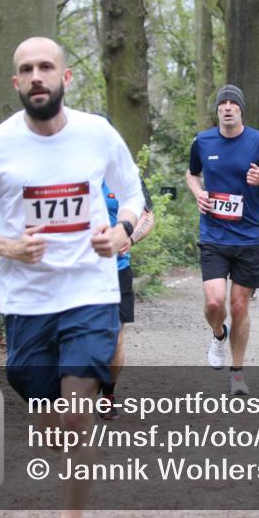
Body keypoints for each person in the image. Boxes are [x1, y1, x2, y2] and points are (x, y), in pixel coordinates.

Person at [0, 37, 145, 518]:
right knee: (47, 414)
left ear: (65, 78)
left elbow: (132, 195)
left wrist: (121, 232)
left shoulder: (98, 133)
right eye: (26, 69)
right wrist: (8, 246)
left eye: (46, 66)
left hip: (90, 291)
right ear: (16, 82)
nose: (36, 75)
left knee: (77, 411)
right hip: (27, 299)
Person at [186, 84, 259, 395]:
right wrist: (198, 193)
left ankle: (237, 373)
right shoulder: (203, 141)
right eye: (222, 103)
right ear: (217, 109)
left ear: (241, 109)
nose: (227, 107)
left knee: (239, 306)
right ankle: (218, 334)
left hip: (248, 236)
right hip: (214, 234)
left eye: (233, 103)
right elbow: (191, 173)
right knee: (215, 301)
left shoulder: (258, 141)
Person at [97, 177, 155, 420]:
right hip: (73, 271)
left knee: (115, 338)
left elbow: (148, 216)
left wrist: (130, 238)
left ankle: (108, 393)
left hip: (116, 270)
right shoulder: (67, 165)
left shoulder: (122, 173)